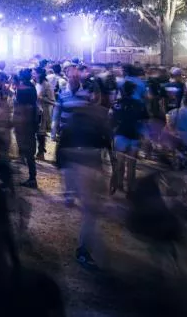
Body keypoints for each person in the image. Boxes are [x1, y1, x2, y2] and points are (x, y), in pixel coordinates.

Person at [57, 86, 111, 270]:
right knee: (91, 210)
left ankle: (85, 246)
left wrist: (64, 174)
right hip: (87, 163)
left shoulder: (77, 113)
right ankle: (83, 250)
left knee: (91, 209)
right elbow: (106, 140)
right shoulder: (101, 113)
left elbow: (65, 140)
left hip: (78, 162)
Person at [110, 80, 148, 195]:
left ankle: (119, 185)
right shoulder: (140, 104)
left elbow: (112, 120)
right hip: (134, 136)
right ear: (133, 91)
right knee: (131, 164)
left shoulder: (117, 104)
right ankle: (130, 188)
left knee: (120, 163)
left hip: (120, 135)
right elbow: (144, 121)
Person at [12, 69, 39, 188]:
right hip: (30, 125)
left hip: (24, 125)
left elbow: (18, 101)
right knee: (29, 153)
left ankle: (32, 179)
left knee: (27, 151)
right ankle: (32, 177)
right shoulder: (32, 87)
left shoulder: (23, 89)